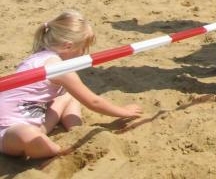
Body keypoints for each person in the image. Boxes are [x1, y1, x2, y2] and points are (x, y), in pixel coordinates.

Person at [0, 10, 142, 159]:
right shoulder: (58, 67)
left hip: (35, 121)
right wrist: (124, 111)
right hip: (8, 130)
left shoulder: (39, 55)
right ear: (68, 46)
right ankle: (58, 150)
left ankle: (76, 130)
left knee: (69, 95)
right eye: (83, 48)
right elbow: (94, 102)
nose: (84, 53)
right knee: (27, 134)